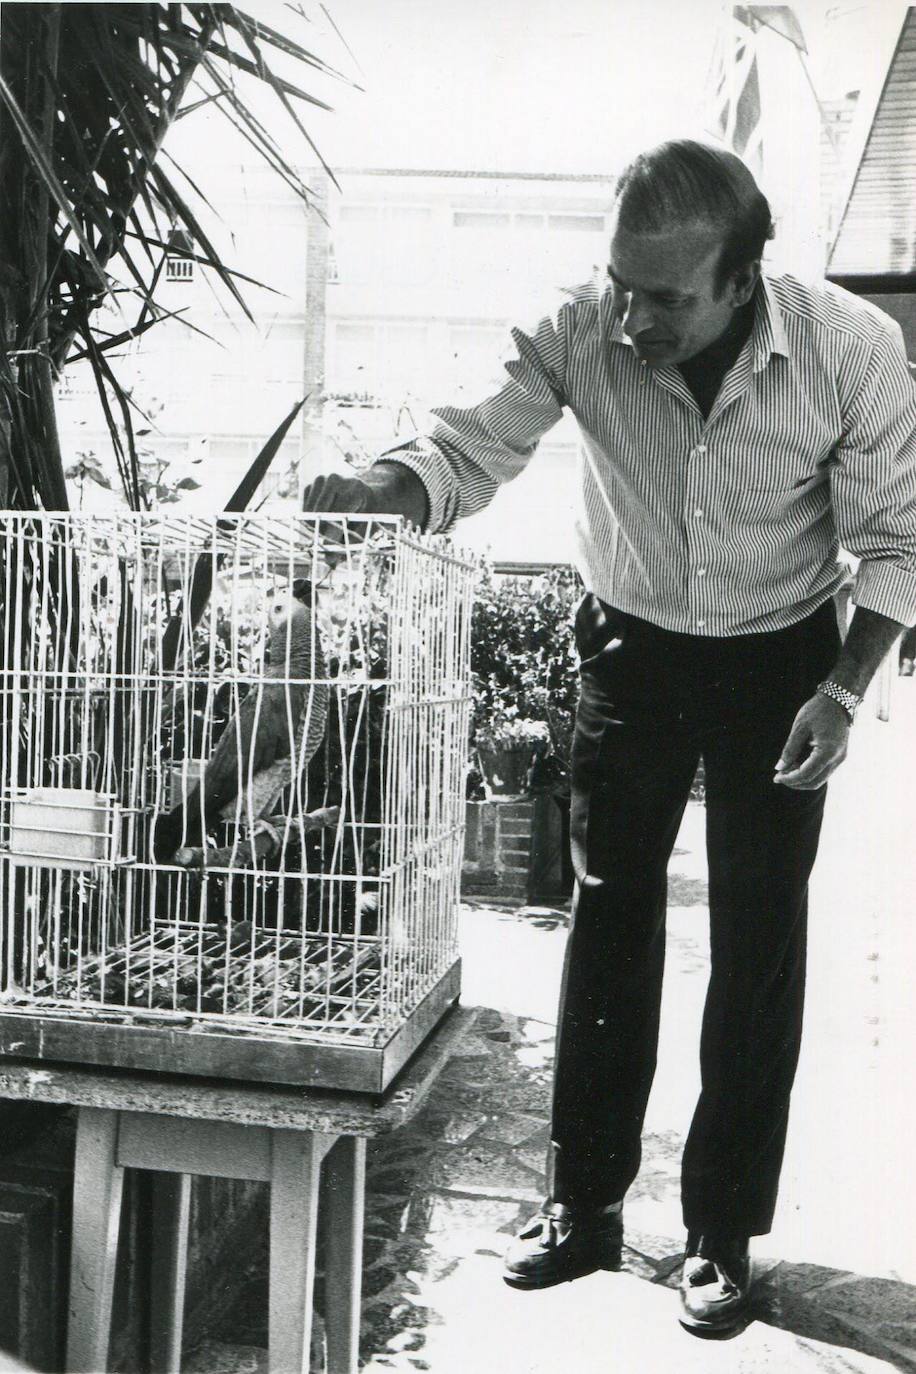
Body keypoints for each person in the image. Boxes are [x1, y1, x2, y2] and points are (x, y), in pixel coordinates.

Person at [301, 141, 916, 1337]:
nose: (634, 319)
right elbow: (471, 445)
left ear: (743, 281)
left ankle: (721, 1234)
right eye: (623, 286)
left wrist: (840, 691)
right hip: (631, 644)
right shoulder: (581, 328)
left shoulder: (850, 350)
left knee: (755, 936)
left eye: (668, 299)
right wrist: (385, 487)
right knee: (608, 915)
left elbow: (894, 545)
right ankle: (582, 1207)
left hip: (781, 657)